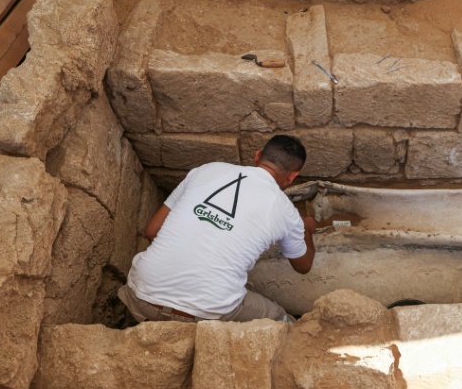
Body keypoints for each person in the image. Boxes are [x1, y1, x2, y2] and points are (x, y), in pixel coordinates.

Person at [117, 135, 316, 324]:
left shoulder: (206, 170)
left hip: (140, 296)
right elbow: (303, 266)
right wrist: (307, 230)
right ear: (292, 177)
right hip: (207, 313)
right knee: (277, 316)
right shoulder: (286, 211)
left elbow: (152, 231)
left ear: (257, 156)